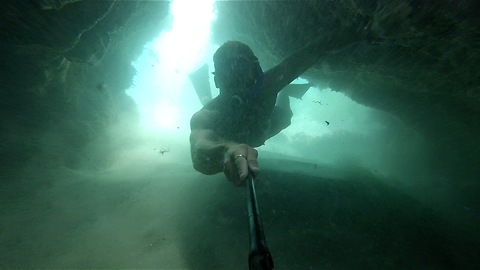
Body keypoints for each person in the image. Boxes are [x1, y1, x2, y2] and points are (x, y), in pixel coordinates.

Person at [189, 38, 325, 186]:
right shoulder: (206, 115)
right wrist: (226, 150)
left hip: (265, 127)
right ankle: (205, 97)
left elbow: (314, 50)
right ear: (217, 81)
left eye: (240, 69)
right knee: (208, 104)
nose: (236, 81)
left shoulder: (270, 82)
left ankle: (284, 90)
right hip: (259, 130)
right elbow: (199, 149)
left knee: (286, 118)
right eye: (227, 74)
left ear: (256, 72)